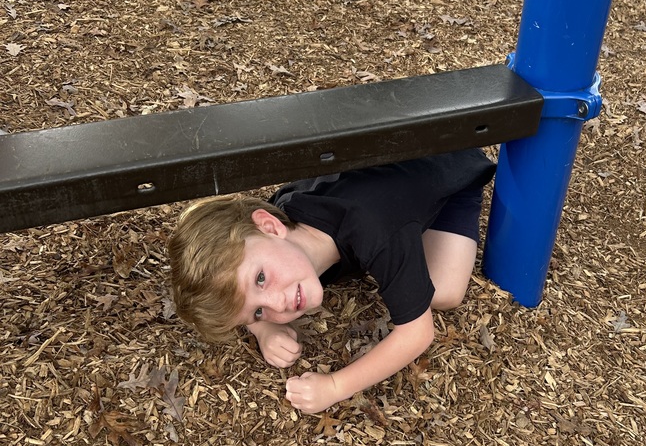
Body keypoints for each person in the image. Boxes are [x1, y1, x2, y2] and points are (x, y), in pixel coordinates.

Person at [168, 148, 496, 414]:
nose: (277, 304)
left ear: (269, 226)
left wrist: (335, 387)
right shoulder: (278, 228)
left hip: (447, 162)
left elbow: (417, 332)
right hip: (387, 173)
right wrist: (263, 329)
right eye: (257, 311)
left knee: (443, 292)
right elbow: (240, 296)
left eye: (261, 279)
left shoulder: (375, 228)